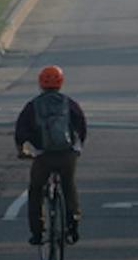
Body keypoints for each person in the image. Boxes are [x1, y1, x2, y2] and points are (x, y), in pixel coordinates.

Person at [15, 63, 87, 244]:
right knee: (68, 185)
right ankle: (73, 225)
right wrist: (78, 148)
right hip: (67, 154)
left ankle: (38, 232)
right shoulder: (68, 103)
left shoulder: (33, 106)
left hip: (43, 155)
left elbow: (20, 130)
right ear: (61, 83)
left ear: (40, 83)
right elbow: (81, 125)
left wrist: (22, 150)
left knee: (36, 190)